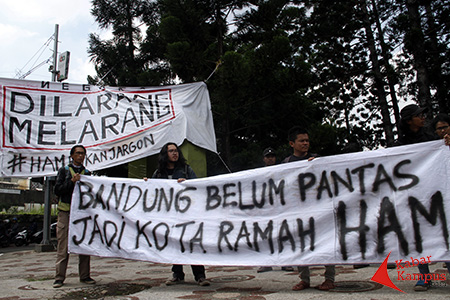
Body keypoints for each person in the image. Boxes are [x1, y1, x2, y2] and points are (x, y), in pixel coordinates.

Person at [283, 126, 336, 291]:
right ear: (292, 143)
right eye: (301, 141)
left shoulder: (317, 159)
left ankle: (329, 278)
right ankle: (304, 279)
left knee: (327, 242)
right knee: (301, 244)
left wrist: (318, 165)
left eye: (307, 140)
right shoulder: (285, 164)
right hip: (298, 211)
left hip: (320, 209)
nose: (305, 143)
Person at [152, 142, 210, 286]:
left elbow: (198, 187)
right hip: (169, 216)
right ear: (165, 154)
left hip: (186, 215)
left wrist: (187, 183)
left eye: (176, 151)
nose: (175, 153)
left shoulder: (186, 170)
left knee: (191, 243)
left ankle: (200, 275)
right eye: (171, 151)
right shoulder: (159, 173)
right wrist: (146, 183)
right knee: (174, 244)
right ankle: (177, 274)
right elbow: (152, 191)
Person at [407, 113, 450, 291]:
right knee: (421, 236)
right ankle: (424, 275)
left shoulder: (438, 144)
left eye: (444, 127)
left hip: (444, 197)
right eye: (438, 129)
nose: (441, 131)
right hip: (423, 197)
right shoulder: (421, 143)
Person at [53, 145, 96, 288]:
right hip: (66, 212)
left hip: (82, 213)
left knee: (83, 245)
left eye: (83, 153)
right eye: (77, 153)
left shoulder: (87, 173)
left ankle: (85, 276)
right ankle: (59, 277)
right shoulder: (64, 171)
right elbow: (57, 190)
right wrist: (71, 182)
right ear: (72, 156)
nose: (80, 156)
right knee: (63, 246)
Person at [257, 148, 294, 273]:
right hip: (266, 209)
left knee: (282, 234)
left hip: (281, 208)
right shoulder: (259, 173)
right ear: (264, 159)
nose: (270, 159)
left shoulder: (282, 170)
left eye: (272, 156)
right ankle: (266, 262)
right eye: (268, 156)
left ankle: (285, 262)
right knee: (266, 235)